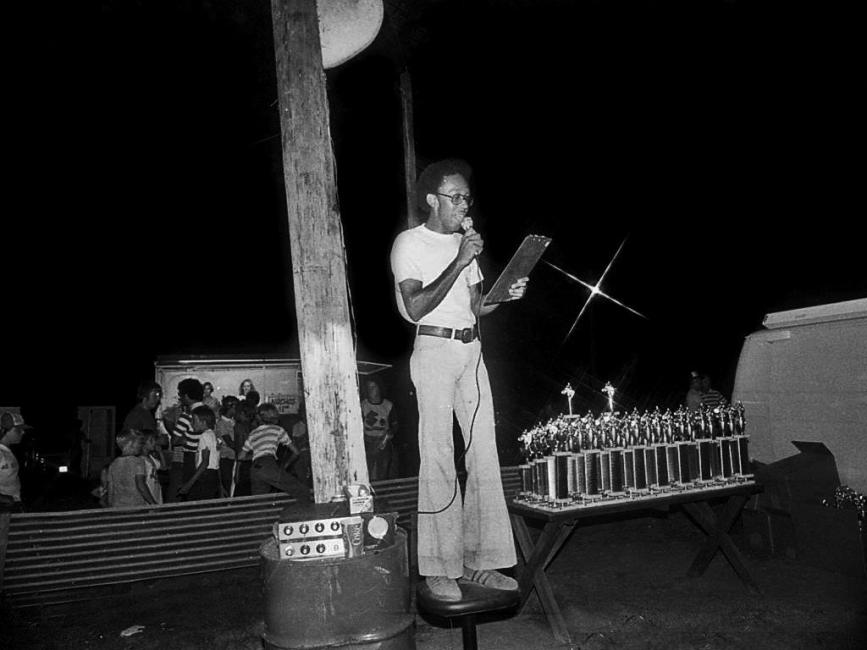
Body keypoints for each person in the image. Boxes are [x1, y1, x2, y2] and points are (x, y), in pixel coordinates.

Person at [389, 158, 528, 601]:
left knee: (484, 453)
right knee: (439, 455)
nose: (463, 204)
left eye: (467, 196)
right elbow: (416, 307)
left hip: (471, 350)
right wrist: (461, 258)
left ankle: (480, 562)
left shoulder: (464, 246)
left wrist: (504, 294)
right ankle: (438, 568)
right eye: (455, 197)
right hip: (433, 350)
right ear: (432, 199)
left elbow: (476, 307)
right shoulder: (409, 243)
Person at [238, 403, 308, 499]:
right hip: (268, 464)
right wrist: (285, 466)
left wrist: (257, 456)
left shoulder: (253, 433)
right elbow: (296, 452)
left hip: (254, 469)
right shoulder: (278, 430)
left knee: (261, 502)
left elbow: (240, 457)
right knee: (301, 490)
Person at [167, 378, 205, 502]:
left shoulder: (187, 415)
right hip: (204, 461)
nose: (179, 397)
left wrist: (184, 439)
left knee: (175, 497)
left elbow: (175, 441)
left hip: (186, 461)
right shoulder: (208, 413)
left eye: (180, 394)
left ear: (187, 396)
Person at [105, 429, 158, 507]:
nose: (141, 446)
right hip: (135, 505)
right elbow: (141, 485)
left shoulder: (113, 464)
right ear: (131, 444)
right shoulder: (138, 462)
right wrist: (152, 503)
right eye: (139, 443)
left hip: (117, 505)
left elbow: (110, 487)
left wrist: (110, 505)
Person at [178, 405, 221, 500]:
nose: (192, 424)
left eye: (194, 420)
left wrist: (189, 484)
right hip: (212, 475)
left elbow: (205, 462)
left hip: (205, 476)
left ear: (203, 422)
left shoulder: (204, 436)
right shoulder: (212, 435)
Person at [361, 377, 397, 481]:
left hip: (383, 444)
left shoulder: (388, 405)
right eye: (368, 388)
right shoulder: (363, 405)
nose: (370, 390)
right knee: (368, 473)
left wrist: (390, 433)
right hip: (367, 443)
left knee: (383, 473)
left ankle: (381, 495)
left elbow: (395, 424)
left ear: (379, 388)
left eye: (373, 387)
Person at [0, 412, 30, 512]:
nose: (23, 432)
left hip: (11, 507)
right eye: (18, 429)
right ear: (6, 431)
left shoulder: (8, 452)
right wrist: (5, 499)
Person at [216, 396, 239, 495]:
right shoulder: (221, 423)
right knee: (227, 484)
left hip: (235, 457)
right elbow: (229, 442)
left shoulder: (234, 421)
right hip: (226, 457)